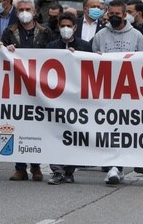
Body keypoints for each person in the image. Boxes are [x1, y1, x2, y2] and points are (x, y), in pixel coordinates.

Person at [92, 0, 143, 184]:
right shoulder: (100, 35)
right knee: (108, 128)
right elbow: (92, 61)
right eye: (111, 13)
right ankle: (112, 165)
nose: (114, 16)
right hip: (106, 90)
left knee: (123, 129)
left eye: (118, 13)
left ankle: (117, 166)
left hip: (128, 91)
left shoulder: (137, 36)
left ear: (125, 15)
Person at [1, 0, 52, 181]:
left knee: (37, 126)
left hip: (38, 88)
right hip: (16, 87)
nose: (24, 12)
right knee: (19, 125)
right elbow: (1, 53)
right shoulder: (9, 32)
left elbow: (53, 55)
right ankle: (20, 167)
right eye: (21, 9)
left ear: (35, 11)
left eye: (28, 8)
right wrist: (7, 49)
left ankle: (36, 166)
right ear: (16, 12)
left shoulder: (45, 32)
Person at [45, 12, 92, 185]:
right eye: (62, 26)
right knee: (55, 133)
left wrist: (77, 56)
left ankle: (69, 170)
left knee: (73, 135)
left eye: (69, 26)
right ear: (58, 28)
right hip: (55, 98)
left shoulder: (84, 46)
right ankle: (57, 171)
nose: (66, 29)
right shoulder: (51, 47)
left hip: (77, 99)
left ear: (75, 27)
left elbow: (92, 68)